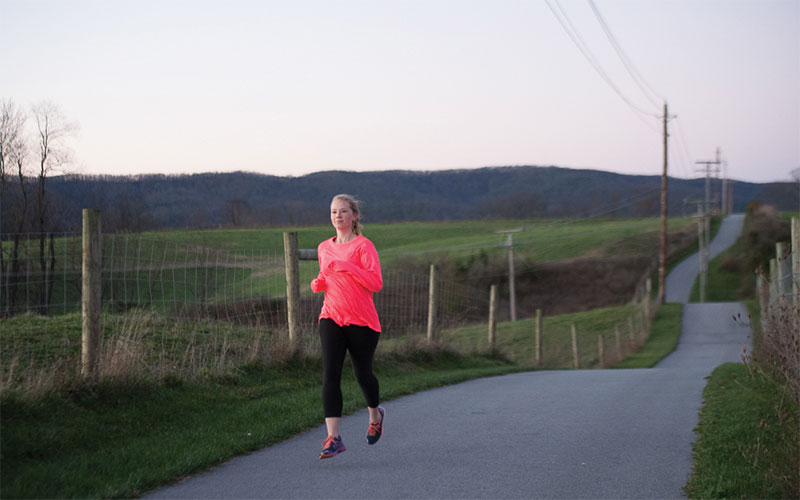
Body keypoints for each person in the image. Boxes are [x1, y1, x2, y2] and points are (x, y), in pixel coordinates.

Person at [311, 194, 385, 459]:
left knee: (362, 374)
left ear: (354, 215)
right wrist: (318, 283)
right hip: (331, 316)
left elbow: (375, 283)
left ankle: (375, 416)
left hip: (362, 321)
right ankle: (334, 438)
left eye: (343, 211)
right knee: (330, 373)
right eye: (333, 212)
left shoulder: (364, 247)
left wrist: (346, 266)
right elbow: (325, 275)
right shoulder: (323, 247)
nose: (337, 216)